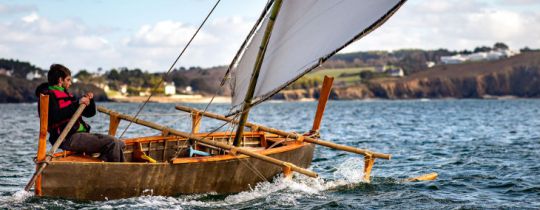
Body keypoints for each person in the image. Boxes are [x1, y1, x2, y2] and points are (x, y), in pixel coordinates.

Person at [35, 64, 125, 162]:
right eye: (68, 80)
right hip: (66, 138)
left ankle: (101, 165)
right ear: (60, 80)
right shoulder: (48, 96)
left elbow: (90, 114)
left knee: (120, 144)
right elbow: (57, 115)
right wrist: (77, 103)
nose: (70, 83)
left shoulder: (67, 95)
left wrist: (89, 101)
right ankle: (118, 172)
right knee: (112, 143)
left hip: (79, 134)